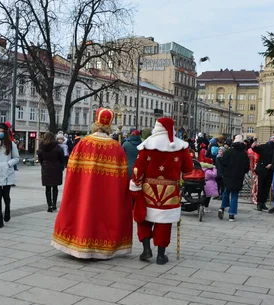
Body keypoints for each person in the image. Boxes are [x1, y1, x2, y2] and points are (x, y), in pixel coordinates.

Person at [52, 108, 133, 259]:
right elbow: (123, 179)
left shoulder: (83, 143)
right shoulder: (116, 148)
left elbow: (71, 171)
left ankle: (79, 245)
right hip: (107, 196)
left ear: (96, 121)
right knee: (103, 216)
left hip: (85, 192)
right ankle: (102, 247)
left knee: (85, 213)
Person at [130, 117, 193, 264]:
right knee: (164, 222)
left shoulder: (148, 145)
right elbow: (188, 169)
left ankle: (146, 249)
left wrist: (136, 185)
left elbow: (138, 169)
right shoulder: (181, 147)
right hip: (169, 191)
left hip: (148, 189)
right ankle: (161, 255)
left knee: (144, 218)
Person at [218, 135, 250, 222]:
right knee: (235, 195)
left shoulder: (229, 152)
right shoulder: (244, 154)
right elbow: (247, 168)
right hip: (239, 177)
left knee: (226, 191)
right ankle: (231, 215)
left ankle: (222, 207)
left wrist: (220, 158)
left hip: (228, 175)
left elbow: (223, 162)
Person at [37, 132, 64, 212]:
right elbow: (62, 158)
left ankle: (49, 205)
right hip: (56, 168)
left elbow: (40, 158)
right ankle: (54, 205)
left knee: (47, 188)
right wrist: (61, 166)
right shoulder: (58, 147)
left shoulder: (41, 146)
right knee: (55, 187)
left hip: (46, 168)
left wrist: (43, 164)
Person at [253, 137, 274, 211]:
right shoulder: (264, 147)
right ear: (269, 139)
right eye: (272, 139)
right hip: (262, 169)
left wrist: (272, 164)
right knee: (261, 186)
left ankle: (263, 202)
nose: (273, 140)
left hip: (270, 170)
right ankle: (259, 203)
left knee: (267, 187)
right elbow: (255, 149)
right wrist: (254, 145)